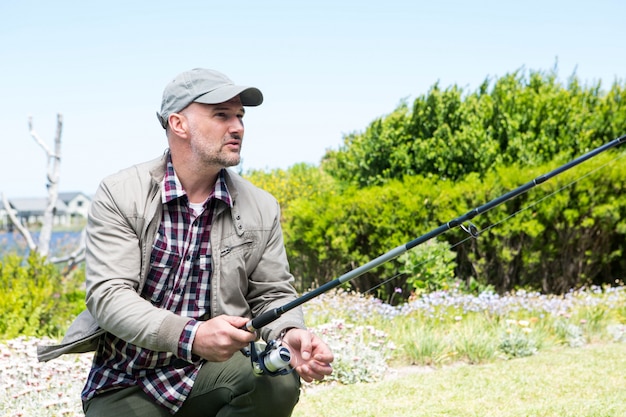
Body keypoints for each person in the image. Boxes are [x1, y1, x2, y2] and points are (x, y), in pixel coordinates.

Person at [37, 68, 334, 416]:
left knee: (277, 381)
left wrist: (288, 332)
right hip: (127, 380)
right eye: (221, 115)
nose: (237, 126)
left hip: (211, 371)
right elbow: (109, 295)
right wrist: (191, 336)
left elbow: (272, 293)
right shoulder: (119, 194)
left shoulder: (262, 206)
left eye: (239, 116)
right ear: (178, 124)